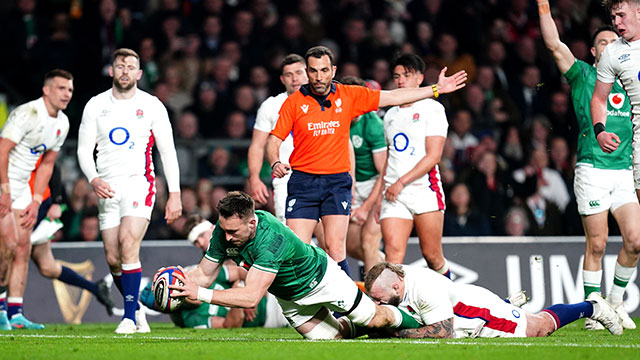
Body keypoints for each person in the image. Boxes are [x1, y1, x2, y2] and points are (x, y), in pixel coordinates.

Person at [266, 46, 466, 278]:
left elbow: (391, 97)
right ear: (307, 72)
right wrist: (274, 162)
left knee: (335, 248)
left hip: (336, 182)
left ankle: (345, 307)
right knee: (298, 251)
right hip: (303, 181)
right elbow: (274, 140)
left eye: (324, 70)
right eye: (313, 71)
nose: (319, 77)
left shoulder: (348, 95)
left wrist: (436, 89)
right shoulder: (293, 102)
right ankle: (313, 307)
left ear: (333, 70)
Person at [169, 191, 422, 340]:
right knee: (334, 338)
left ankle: (423, 324)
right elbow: (203, 273)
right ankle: (374, 327)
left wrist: (199, 294)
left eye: (233, 231)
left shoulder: (270, 239)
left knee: (375, 318)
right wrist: (179, 278)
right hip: (289, 297)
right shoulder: (223, 232)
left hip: (321, 280)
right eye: (223, 230)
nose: (226, 238)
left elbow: (251, 297)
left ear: (252, 223)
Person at [539, 0, 639, 330]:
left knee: (635, 241)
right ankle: (594, 312)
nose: (612, 46)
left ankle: (614, 303)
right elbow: (554, 44)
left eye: (615, 41)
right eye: (604, 43)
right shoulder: (583, 74)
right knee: (596, 243)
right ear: (595, 53)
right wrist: (542, 6)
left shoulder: (630, 73)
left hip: (625, 169)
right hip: (593, 170)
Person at [77, 48, 183, 334]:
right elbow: (84, 149)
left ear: (139, 73)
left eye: (131, 67)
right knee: (113, 257)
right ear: (112, 71)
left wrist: (175, 193)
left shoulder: (152, 105)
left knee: (127, 242)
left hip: (139, 182)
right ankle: (136, 309)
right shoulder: (95, 105)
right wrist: (93, 179)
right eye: (120, 66)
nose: (125, 71)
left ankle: (127, 318)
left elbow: (168, 151)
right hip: (107, 187)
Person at [363, 262, 624, 338]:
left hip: (476, 312)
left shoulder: (424, 289)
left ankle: (592, 307)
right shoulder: (394, 276)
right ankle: (508, 304)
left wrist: (399, 333)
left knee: (539, 328)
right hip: (460, 306)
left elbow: (442, 332)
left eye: (378, 299)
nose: (377, 304)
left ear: (397, 286)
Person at [0, 69, 73, 330]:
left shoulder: (62, 124)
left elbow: (46, 165)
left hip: (22, 188)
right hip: (3, 182)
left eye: (70, 90)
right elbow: (1, 151)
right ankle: (0, 311)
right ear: (47, 90)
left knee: (22, 247)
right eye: (62, 88)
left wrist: (35, 200)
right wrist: (5, 191)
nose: (67, 94)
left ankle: (16, 313)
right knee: (7, 244)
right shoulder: (27, 113)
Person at [139, 214, 289, 329]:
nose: (202, 244)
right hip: (269, 314)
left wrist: (251, 290)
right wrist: (243, 300)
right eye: (196, 242)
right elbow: (230, 324)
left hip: (274, 289)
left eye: (201, 236)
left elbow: (242, 272)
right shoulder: (191, 313)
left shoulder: (207, 267)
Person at [378, 53, 450, 277]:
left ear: (420, 78)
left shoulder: (433, 109)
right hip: (393, 194)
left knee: (432, 256)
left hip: (424, 191)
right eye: (397, 76)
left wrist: (401, 182)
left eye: (406, 76)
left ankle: (451, 303)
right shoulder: (389, 114)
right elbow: (389, 157)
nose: (400, 81)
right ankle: (391, 311)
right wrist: (384, 191)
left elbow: (433, 157)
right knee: (392, 255)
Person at [247, 54, 307, 223]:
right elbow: (257, 146)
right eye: (289, 75)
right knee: (293, 237)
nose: (294, 79)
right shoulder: (271, 106)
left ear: (308, 73)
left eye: (298, 73)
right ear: (282, 79)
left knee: (330, 241)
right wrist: (255, 178)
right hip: (285, 179)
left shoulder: (322, 102)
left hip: (321, 176)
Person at [341, 76, 386, 273]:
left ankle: (373, 298)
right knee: (350, 246)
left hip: (374, 186)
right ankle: (382, 263)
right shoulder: (334, 119)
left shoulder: (373, 124)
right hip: (348, 185)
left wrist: (366, 207)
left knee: (369, 242)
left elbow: (384, 171)